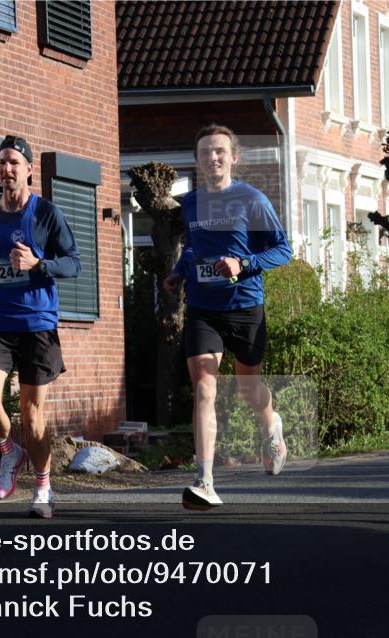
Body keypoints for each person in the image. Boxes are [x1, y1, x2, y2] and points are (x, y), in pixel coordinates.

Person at [163, 124, 292, 509]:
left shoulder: (251, 199)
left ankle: (272, 427)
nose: (212, 157)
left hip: (245, 307)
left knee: (249, 390)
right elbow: (194, 248)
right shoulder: (190, 203)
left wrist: (244, 263)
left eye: (220, 151)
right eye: (205, 152)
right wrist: (180, 272)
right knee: (204, 384)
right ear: (198, 160)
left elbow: (282, 250)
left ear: (234, 157)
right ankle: (204, 480)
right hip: (204, 310)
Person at [0, 135, 81, 518]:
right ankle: (8, 453)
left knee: (32, 417)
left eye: (15, 162)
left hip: (37, 324)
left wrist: (40, 265)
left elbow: (74, 263)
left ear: (30, 169)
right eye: (2, 162)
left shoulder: (46, 213)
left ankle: (43, 486)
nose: (7, 169)